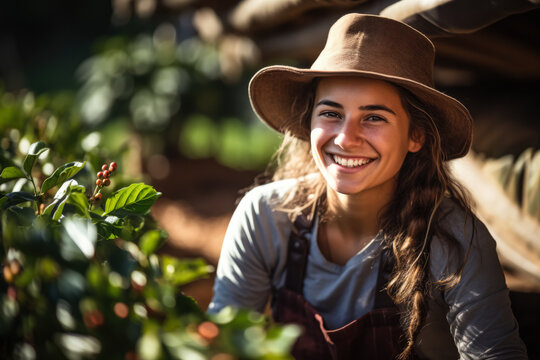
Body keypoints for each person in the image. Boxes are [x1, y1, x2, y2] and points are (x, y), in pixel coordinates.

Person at [208, 13, 527, 360]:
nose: (346, 139)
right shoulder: (265, 217)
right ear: (309, 121)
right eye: (330, 113)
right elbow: (228, 344)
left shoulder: (454, 240)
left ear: (415, 135)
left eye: (374, 117)